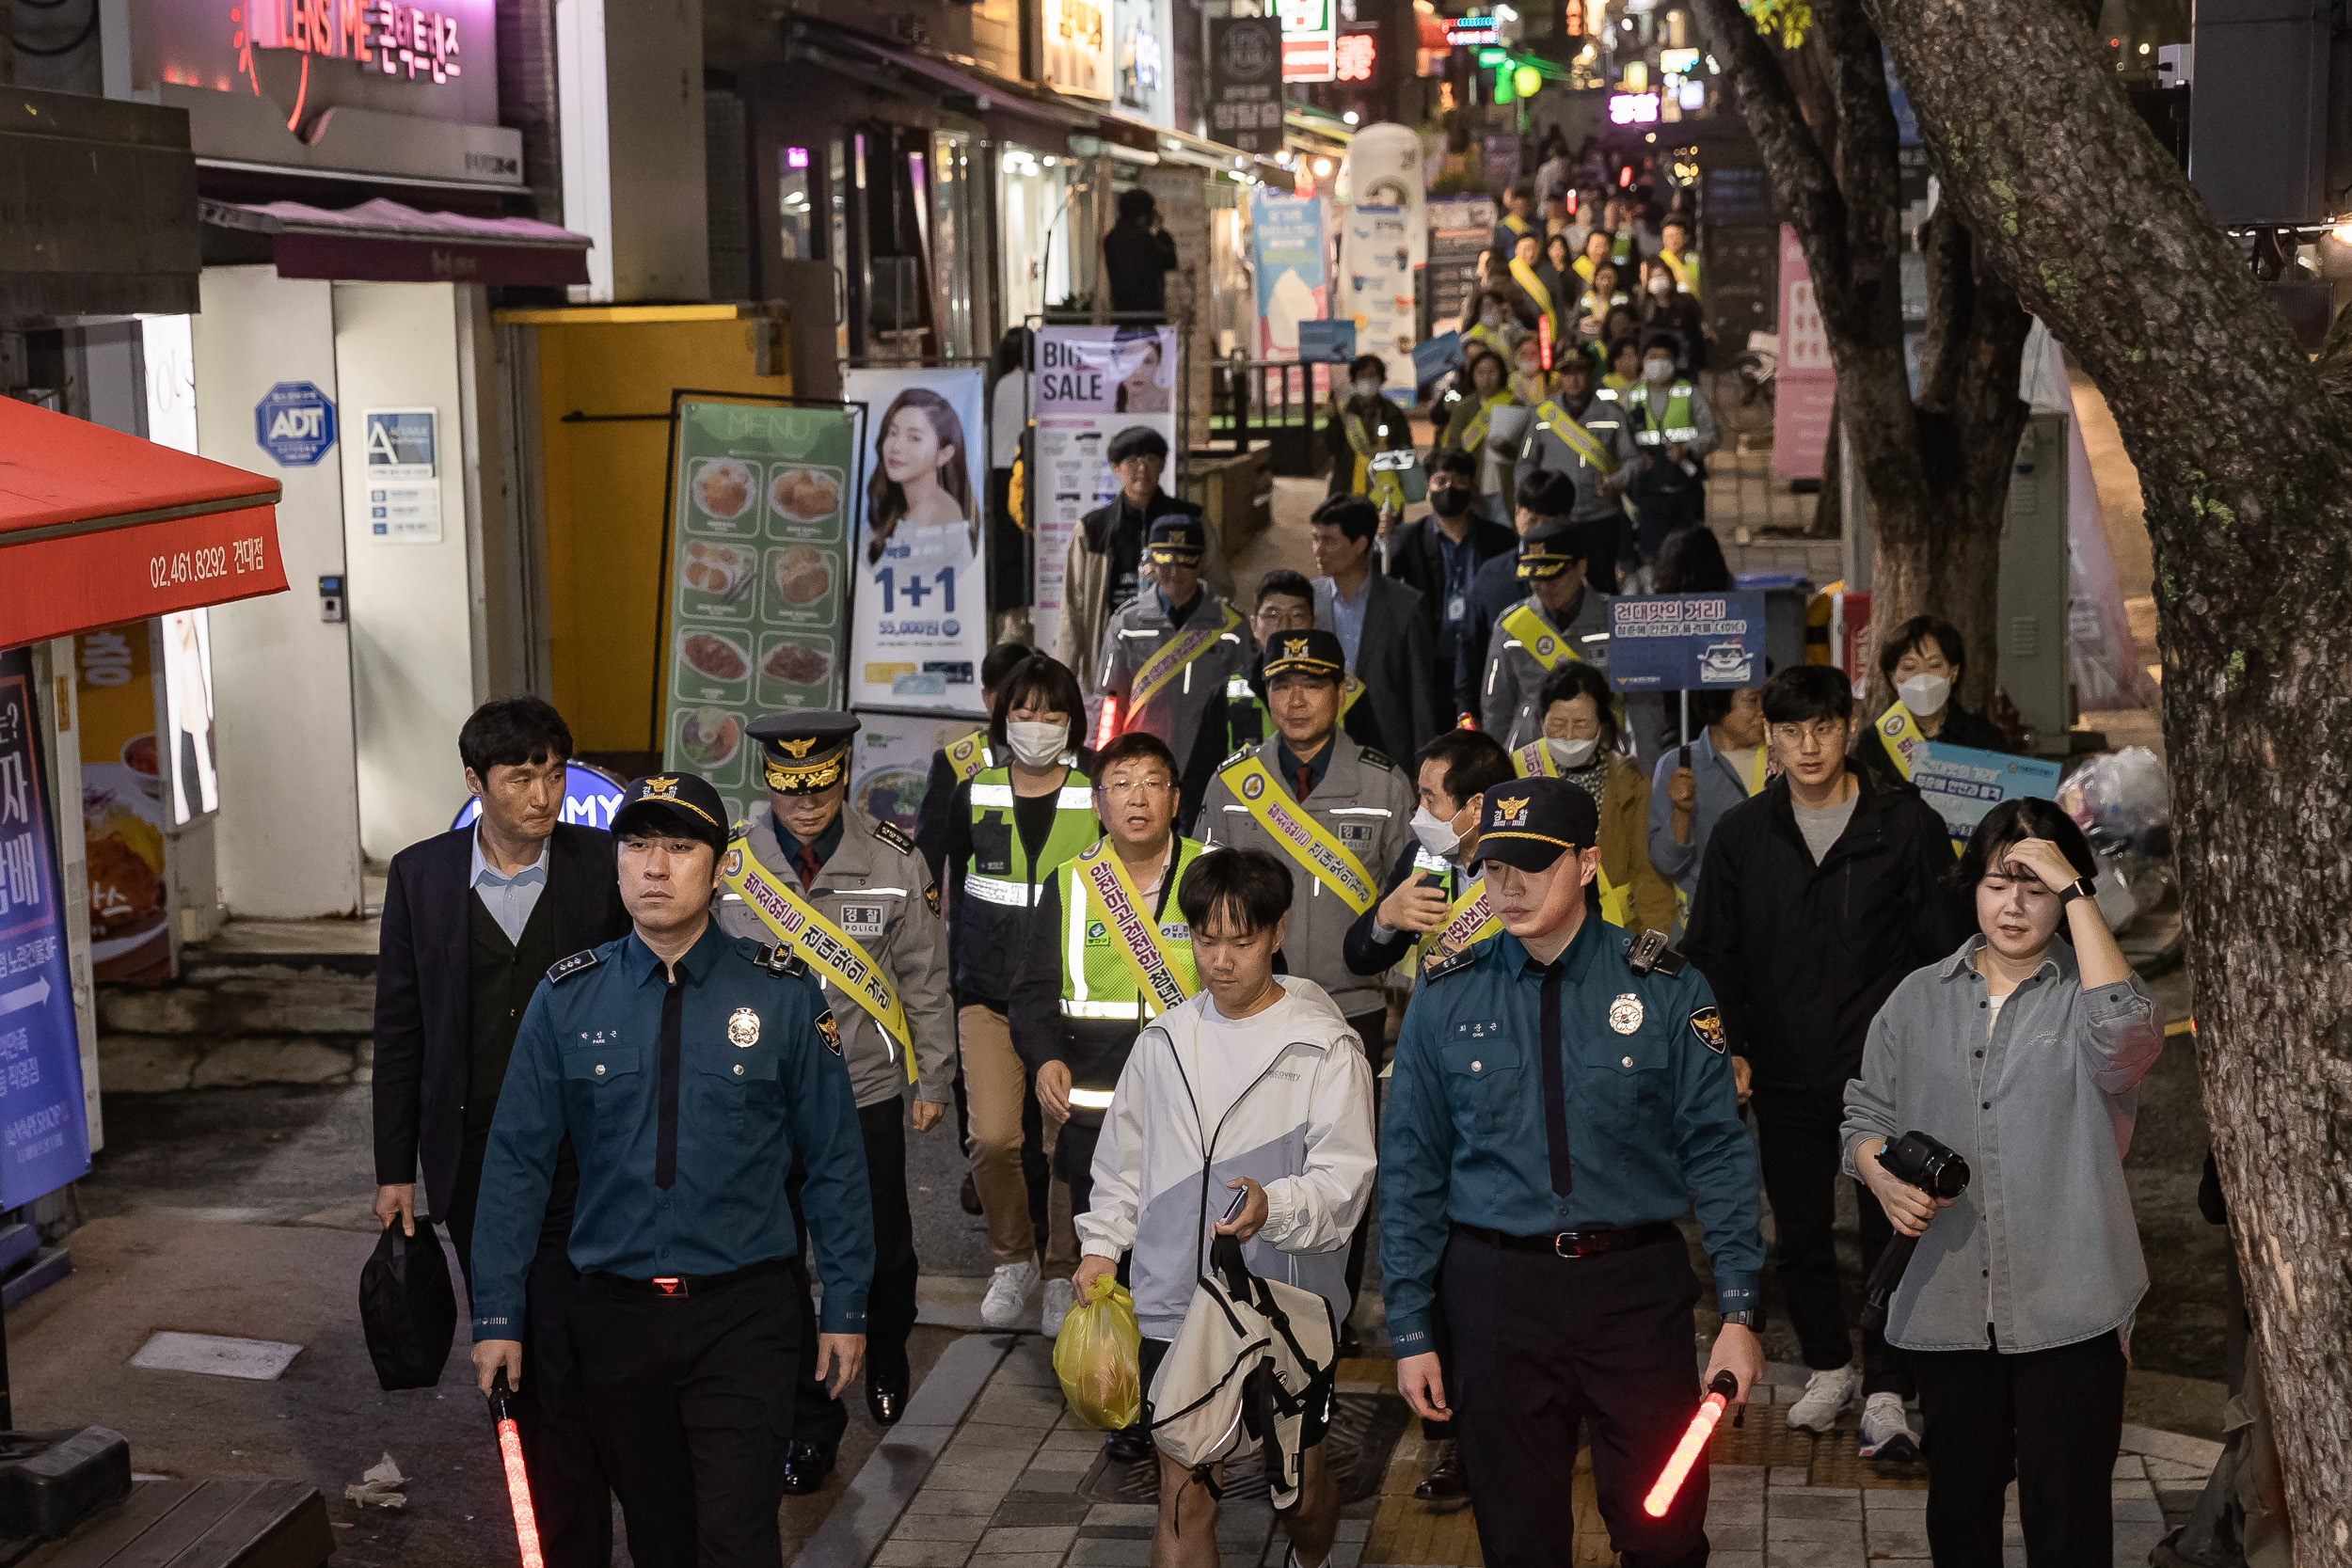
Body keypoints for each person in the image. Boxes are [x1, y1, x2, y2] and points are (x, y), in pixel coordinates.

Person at [467, 769, 874, 1568]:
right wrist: (496, 1316)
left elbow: (834, 1158)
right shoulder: (567, 998)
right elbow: (515, 1162)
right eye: (638, 844)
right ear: (617, 864)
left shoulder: (783, 995)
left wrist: (847, 1303)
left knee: (736, 1536)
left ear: (720, 867)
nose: (654, 865)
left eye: (679, 846)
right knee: (659, 1540)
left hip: (743, 1314)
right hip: (615, 1320)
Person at [1380, 775, 1767, 1568]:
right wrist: (1413, 1327)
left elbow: (1719, 1152)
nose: (1508, 886)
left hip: (1636, 1297)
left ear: (1588, 862)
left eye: (1533, 863)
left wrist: (1739, 1310)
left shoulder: (1665, 987)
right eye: (1492, 868)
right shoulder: (1447, 994)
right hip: (1495, 1297)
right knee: (1519, 1544)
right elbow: (1411, 1168)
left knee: (1664, 1536)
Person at [1844, 797, 2163, 1563]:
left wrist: (2080, 892)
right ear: (1972, 887)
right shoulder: (1918, 996)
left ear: (2068, 894)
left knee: (2069, 1517)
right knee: (1960, 1509)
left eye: (2038, 885)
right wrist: (1880, 1177)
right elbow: (1863, 1114)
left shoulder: (2089, 996)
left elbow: (2128, 1042)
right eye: (1998, 882)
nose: (2013, 905)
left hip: (2071, 1300)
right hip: (1950, 1298)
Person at [1681, 665, 1971, 1461]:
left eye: (1824, 727)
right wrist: (1730, 1046)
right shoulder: (1743, 835)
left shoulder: (1903, 824)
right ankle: (1828, 1364)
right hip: (1783, 1075)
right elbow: (1714, 955)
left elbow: (1941, 947)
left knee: (1893, 1228)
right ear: (1770, 736)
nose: (1809, 745)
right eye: (1791, 729)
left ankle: (1888, 1385)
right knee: (1802, 1231)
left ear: (1850, 727)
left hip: (1888, 1081)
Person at [372, 697, 627, 1568]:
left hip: (594, 1151)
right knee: (511, 1345)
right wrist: (394, 1168)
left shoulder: (603, 866)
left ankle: (585, 1509)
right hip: (476, 1158)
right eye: (523, 776)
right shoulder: (421, 878)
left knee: (574, 1339)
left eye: (556, 772)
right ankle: (550, 1520)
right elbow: (400, 1029)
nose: (545, 792)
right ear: (475, 783)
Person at [1077, 847, 1376, 1568]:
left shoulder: (1325, 1045)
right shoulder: (1165, 1041)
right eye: (1205, 939)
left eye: (1240, 941)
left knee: (1296, 1484)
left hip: (1284, 1305)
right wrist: (1102, 1243)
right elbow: (1125, 1157)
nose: (1220, 959)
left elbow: (1346, 1184)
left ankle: (1312, 1558)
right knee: (1184, 1484)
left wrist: (1274, 1206)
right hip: (1174, 1302)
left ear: (1277, 932)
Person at [711, 713, 954, 1490]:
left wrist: (935, 1077)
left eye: (820, 785)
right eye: (790, 790)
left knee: (881, 1245)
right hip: (764, 1099)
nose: (806, 805)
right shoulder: (730, 866)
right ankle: (809, 1420)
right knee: (778, 1262)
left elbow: (923, 974)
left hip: (864, 1090)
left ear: (843, 771)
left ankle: (886, 1345)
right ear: (769, 785)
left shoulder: (893, 860)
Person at [1197, 628, 1415, 1351]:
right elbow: (1203, 901)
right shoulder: (1232, 784)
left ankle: (1332, 1313)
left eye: (1313, 683)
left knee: (1338, 1163)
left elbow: (1406, 898)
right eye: (1282, 683)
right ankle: (1244, 1298)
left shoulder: (1385, 783)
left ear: (1342, 691)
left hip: (1349, 1007)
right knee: (1251, 1157)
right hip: (1250, 1007)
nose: (1295, 699)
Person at [1009, 730, 1210, 1458]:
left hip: (1197, 1107)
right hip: (1097, 1108)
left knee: (1189, 1257)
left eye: (1152, 782)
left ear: (1175, 798)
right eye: (1120, 783)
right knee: (1112, 1263)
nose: (1136, 796)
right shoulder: (1069, 881)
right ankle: (1128, 1408)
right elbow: (1030, 993)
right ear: (1098, 802)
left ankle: (1195, 1399)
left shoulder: (1211, 875)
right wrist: (1044, 1058)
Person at [933, 655, 1100, 1337]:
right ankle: (1013, 1257)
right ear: (1002, 718)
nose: (1036, 724)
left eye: (1052, 712)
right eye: (1023, 711)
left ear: (1073, 722)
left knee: (1066, 1142)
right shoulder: (974, 794)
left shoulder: (1096, 797)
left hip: (1072, 1000)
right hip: (989, 993)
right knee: (994, 1136)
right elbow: (948, 893)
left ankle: (1061, 1270)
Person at [1052, 424, 1232, 702]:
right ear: (1115, 468)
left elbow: (1221, 587)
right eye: (1131, 460)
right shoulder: (1092, 529)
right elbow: (1072, 610)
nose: (1142, 468)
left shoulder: (1193, 521)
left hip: (1181, 663)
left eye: (1151, 459)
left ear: (1161, 465)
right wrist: (1062, 681)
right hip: (1111, 663)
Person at [1100, 516, 1254, 828]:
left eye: (1185, 561)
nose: (1174, 572)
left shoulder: (1232, 628)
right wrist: (1105, 769)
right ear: (1152, 561)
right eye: (1164, 560)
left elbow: (1245, 707)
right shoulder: (1126, 624)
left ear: (1202, 562)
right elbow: (1110, 705)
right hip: (1142, 776)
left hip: (1212, 773)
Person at [1513, 662, 1677, 936]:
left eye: (1580, 724)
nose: (1568, 736)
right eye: (1557, 723)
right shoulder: (1519, 775)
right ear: (1542, 720)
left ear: (1601, 724)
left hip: (1612, 931)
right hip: (1539, 934)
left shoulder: (1630, 784)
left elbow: (1647, 874)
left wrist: (1654, 939)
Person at [1388, 450, 1518, 719]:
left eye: (1459, 480)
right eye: (1440, 481)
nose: (1449, 488)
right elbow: (1382, 583)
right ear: (1428, 490)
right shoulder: (1407, 539)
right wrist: (1381, 543)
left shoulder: (1500, 541)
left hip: (1484, 662)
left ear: (1472, 489)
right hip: (1432, 661)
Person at [1311, 495, 1439, 764]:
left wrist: (1423, 768)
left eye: (1329, 540)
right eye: (1315, 538)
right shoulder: (1307, 601)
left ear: (1360, 544)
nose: (1318, 550)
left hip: (1385, 751)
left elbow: (1421, 697)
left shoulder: (1406, 606)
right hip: (1318, 746)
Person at [1512, 353, 1639, 593]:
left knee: (1602, 584)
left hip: (1600, 516)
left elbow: (1633, 460)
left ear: (1592, 374)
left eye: (1579, 372)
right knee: (1554, 583)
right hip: (1553, 518)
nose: (1574, 380)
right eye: (1567, 373)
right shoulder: (1543, 414)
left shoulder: (1613, 415)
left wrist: (1617, 480)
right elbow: (1525, 463)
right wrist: (1532, 499)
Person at [1480, 522, 1614, 748]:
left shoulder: (1615, 619)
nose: (1543, 586)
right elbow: (1495, 707)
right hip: (1531, 758)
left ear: (1580, 567)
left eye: (1553, 576)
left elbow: (1641, 705)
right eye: (1535, 578)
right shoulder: (1511, 626)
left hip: (1600, 754)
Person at [1454, 471, 1567, 723]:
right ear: (1517, 514)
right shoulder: (1491, 576)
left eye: (1550, 521)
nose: (1540, 530)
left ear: (1568, 520)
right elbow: (1469, 652)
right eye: (1533, 519)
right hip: (1506, 723)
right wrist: (1466, 720)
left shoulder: (1584, 572)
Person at [1854, 615, 2011, 796]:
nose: (1923, 677)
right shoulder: (1873, 743)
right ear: (1893, 677)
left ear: (1953, 672)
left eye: (1934, 665)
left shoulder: (1983, 739)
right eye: (1909, 668)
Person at [1648, 686, 1771, 911]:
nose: (1763, 710)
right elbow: (1666, 863)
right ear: (1716, 706)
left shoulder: (1786, 759)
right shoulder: (1677, 766)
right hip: (1706, 921)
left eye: (1766, 698)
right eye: (1752, 701)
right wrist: (1681, 812)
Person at [1621, 333, 1720, 564]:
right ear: (1643, 360)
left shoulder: (1690, 394)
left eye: (1664, 357)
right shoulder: (1632, 397)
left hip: (1686, 492)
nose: (1657, 363)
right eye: (1652, 356)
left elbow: (1712, 434)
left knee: (1690, 557)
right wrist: (1636, 459)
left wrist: (1688, 449)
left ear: (1675, 362)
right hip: (1648, 493)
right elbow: (1620, 439)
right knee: (1654, 557)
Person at [1324, 354, 1416, 506]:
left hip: (1385, 494)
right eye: (1362, 375)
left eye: (1372, 374)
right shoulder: (1343, 413)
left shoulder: (1393, 413)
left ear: (1381, 379)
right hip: (1347, 491)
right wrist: (1333, 420)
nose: (1367, 379)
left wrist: (1387, 451)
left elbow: (1408, 455)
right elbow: (1333, 448)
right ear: (1354, 379)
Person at [986, 328, 1034, 615]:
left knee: (1005, 538)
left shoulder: (1000, 384)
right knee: (1031, 536)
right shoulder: (1041, 383)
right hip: (1028, 468)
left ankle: (1008, 611)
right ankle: (1031, 602)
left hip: (1000, 468)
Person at [1440, 346, 1522, 505]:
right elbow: (1454, 446)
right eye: (1480, 373)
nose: (1486, 378)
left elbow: (1525, 448)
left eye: (1492, 372)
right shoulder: (1463, 409)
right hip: (1474, 488)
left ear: (1502, 374)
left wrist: (1507, 449)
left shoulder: (1515, 405)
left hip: (1507, 487)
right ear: (1472, 376)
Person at [1103, 186, 1180, 320]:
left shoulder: (1111, 239)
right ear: (1143, 214)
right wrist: (1160, 231)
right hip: (1148, 314)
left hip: (1122, 313)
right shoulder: (1144, 240)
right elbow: (1169, 260)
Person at [1640, 261, 1709, 373]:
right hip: (1653, 368)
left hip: (1684, 367)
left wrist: (1701, 365)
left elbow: (1696, 337)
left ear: (1670, 278)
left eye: (1661, 275)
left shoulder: (1685, 305)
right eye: (1653, 277)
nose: (1658, 280)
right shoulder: (1645, 309)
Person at [1509, 231, 1567, 351]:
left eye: (1533, 249)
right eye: (1525, 249)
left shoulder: (1549, 271)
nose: (1530, 254)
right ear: (1516, 250)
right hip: (1520, 334)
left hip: (1547, 331)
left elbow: (1559, 304)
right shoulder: (1510, 273)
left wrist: (1561, 335)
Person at [1655, 213, 1701, 301]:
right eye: (1667, 236)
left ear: (1686, 237)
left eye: (1676, 236)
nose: (1672, 241)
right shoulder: (1660, 261)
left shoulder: (1697, 259)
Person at [1600, 335, 1644, 399]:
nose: (1634, 359)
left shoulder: (1646, 380)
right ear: (1616, 361)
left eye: (1636, 355)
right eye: (1629, 356)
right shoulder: (1607, 383)